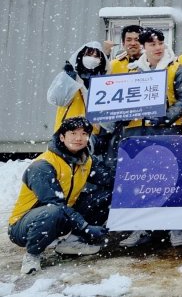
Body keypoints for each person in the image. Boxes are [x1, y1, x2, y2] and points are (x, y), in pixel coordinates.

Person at [118, 27, 182, 249]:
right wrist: (122, 117)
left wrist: (167, 119)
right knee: (139, 181)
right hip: (137, 131)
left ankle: (174, 226)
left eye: (161, 43)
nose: (158, 48)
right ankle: (139, 227)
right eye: (153, 44)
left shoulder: (176, 69)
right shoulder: (133, 70)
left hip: (166, 131)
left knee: (169, 179)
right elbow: (122, 101)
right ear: (144, 47)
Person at [8, 117, 111, 274]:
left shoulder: (86, 160)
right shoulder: (43, 166)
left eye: (84, 133)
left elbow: (110, 179)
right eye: (73, 133)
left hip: (62, 218)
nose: (79, 138)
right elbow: (54, 203)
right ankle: (32, 255)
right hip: (24, 226)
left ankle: (72, 242)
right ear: (62, 137)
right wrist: (85, 227)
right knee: (52, 210)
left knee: (105, 194)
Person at [46, 41, 108, 132]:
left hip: (92, 134)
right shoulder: (69, 76)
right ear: (81, 56)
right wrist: (69, 79)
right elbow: (56, 99)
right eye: (89, 55)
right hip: (67, 132)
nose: (92, 59)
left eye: (96, 56)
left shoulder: (102, 82)